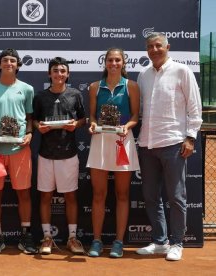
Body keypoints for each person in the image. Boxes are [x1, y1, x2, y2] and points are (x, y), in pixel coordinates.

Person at [136, 32, 202, 261]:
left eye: (158, 46)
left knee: (176, 197)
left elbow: (194, 107)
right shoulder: (142, 75)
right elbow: (140, 111)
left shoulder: (182, 71)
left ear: (167, 47)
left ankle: (176, 243)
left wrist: (190, 137)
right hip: (147, 144)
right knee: (151, 196)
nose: (154, 50)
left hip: (174, 143)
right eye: (150, 47)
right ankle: (159, 241)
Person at [0, 48, 38, 255]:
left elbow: (30, 118)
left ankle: (26, 235)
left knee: (24, 194)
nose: (9, 63)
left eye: (13, 60)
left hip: (20, 149)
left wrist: (29, 134)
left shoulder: (27, 89)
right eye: (5, 60)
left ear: (18, 65)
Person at [86, 48, 140, 258]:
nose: (114, 63)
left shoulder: (132, 86)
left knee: (122, 194)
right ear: (105, 62)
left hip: (122, 142)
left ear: (123, 63)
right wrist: (91, 125)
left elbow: (135, 115)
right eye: (110, 60)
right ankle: (97, 240)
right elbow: (91, 116)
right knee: (98, 194)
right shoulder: (94, 87)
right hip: (100, 141)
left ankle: (118, 242)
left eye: (118, 60)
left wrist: (128, 126)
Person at [32, 57, 86, 255]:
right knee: (45, 196)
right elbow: (34, 121)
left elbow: (82, 119)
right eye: (55, 71)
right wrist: (39, 127)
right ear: (49, 74)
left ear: (68, 74)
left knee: (70, 196)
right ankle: (47, 238)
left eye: (63, 71)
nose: (59, 74)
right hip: (46, 154)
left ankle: (72, 238)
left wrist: (76, 125)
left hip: (68, 154)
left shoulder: (75, 94)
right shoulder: (40, 97)